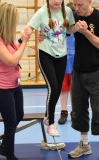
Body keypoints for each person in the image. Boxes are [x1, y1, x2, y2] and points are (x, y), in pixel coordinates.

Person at [66, 0, 99, 160]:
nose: (77, 8)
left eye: (80, 5)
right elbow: (66, 31)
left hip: (97, 71)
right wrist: (74, 28)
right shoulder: (74, 15)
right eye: (75, 4)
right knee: (78, 110)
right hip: (78, 71)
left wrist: (86, 32)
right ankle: (84, 144)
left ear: (89, 1)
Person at [0, 2, 32, 160]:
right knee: (11, 122)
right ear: (5, 20)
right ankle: (9, 153)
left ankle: (5, 145)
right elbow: (12, 61)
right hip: (1, 88)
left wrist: (20, 40)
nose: (14, 23)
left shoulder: (6, 38)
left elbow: (13, 50)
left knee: (19, 115)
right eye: (13, 20)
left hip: (14, 85)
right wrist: (25, 41)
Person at [26, 0, 75, 137]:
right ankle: (51, 123)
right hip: (46, 54)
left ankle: (47, 116)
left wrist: (77, 28)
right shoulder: (41, 13)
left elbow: (69, 29)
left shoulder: (68, 11)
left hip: (62, 55)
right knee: (53, 87)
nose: (56, 1)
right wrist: (27, 32)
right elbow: (30, 27)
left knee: (58, 88)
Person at [58, 2, 75, 125]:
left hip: (76, 66)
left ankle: (75, 112)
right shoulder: (60, 31)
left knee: (75, 91)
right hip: (63, 65)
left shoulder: (77, 31)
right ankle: (64, 112)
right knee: (63, 90)